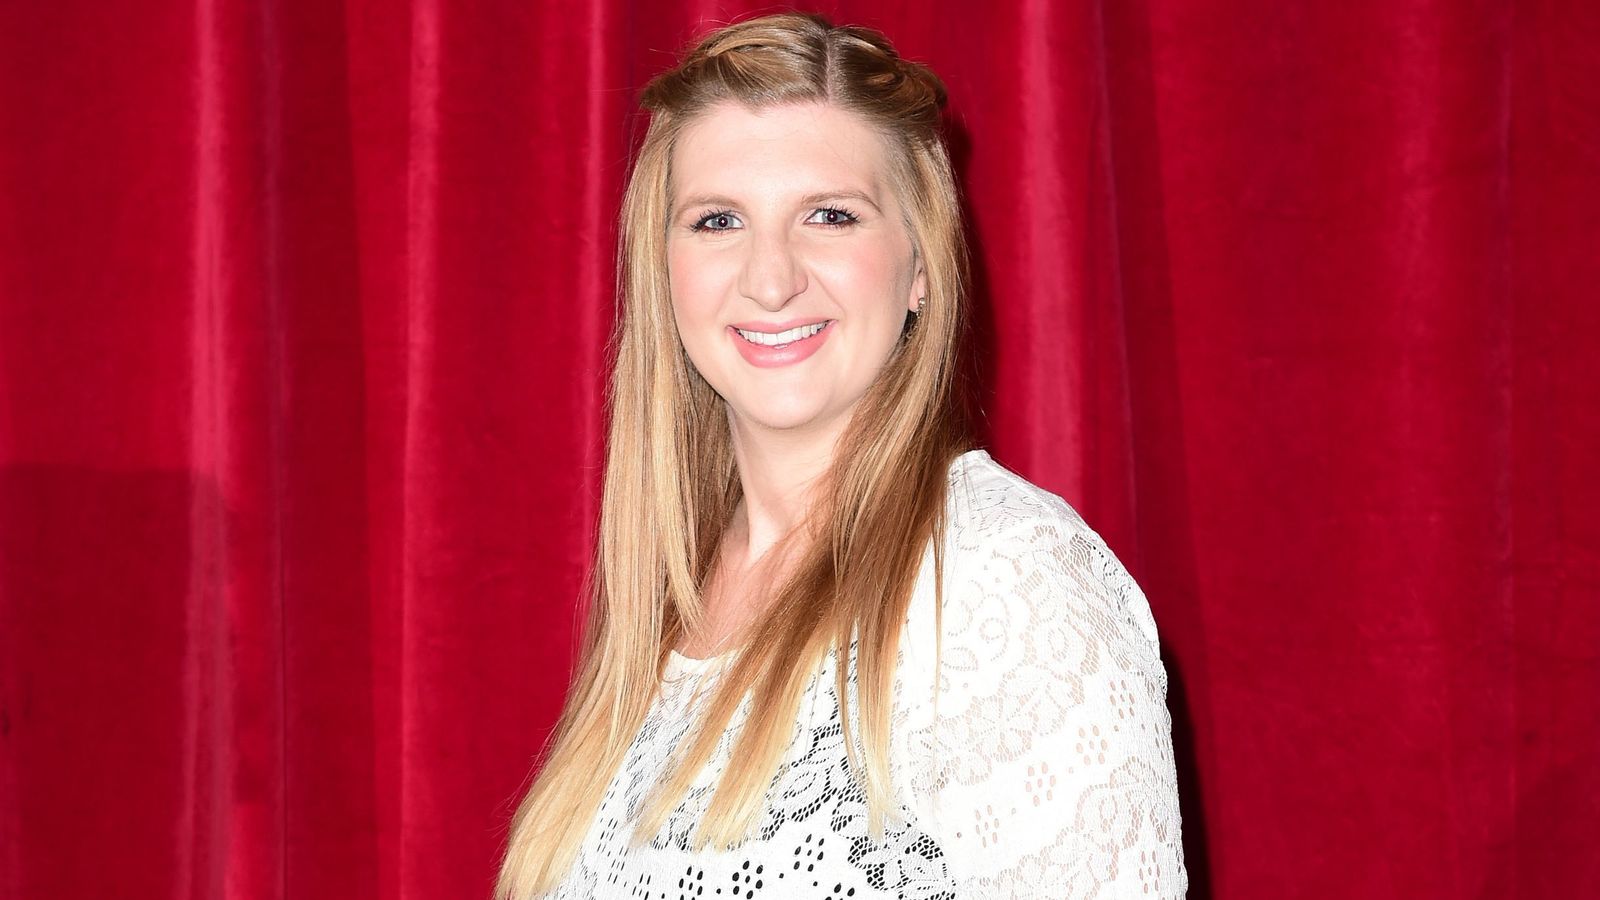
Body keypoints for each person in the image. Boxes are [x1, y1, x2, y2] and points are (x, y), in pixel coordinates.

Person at [496, 11, 1188, 899]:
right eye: (717, 220)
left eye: (830, 216)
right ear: (662, 269)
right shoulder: (663, 601)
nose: (770, 278)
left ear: (920, 264)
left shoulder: (1002, 578)